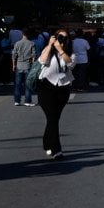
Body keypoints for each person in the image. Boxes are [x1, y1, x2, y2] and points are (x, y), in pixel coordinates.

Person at [37, 29, 74, 159]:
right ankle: (56, 150)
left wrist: (60, 49)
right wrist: (50, 45)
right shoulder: (48, 50)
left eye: (64, 37)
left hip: (63, 89)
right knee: (52, 118)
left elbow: (71, 64)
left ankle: (47, 143)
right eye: (59, 37)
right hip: (46, 87)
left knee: (54, 119)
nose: (61, 39)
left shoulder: (69, 53)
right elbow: (42, 61)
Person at [11, 28, 36, 106]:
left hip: (19, 65)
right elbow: (33, 56)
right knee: (27, 84)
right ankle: (27, 101)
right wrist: (33, 65)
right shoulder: (31, 43)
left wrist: (13, 65)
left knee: (18, 84)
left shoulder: (17, 43)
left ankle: (17, 101)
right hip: (27, 66)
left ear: (22, 34)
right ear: (29, 35)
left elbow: (14, 55)